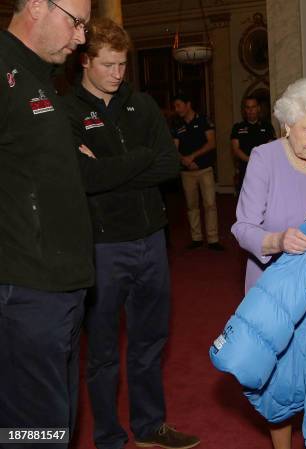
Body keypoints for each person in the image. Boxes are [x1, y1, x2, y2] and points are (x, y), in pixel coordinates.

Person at [63, 18, 199, 449]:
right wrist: (142, 161)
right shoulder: (67, 111)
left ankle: (149, 427)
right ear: (86, 62)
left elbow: (169, 166)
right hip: (103, 247)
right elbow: (84, 177)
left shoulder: (140, 104)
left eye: (123, 65)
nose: (117, 74)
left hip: (152, 240)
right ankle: (108, 438)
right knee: (101, 352)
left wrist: (114, 169)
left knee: (149, 343)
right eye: (108, 65)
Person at [231, 78, 306, 449]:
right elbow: (242, 227)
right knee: (280, 382)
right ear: (287, 125)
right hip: (277, 289)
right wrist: (279, 239)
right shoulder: (265, 157)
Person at [0, 1, 91, 447]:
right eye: (76, 22)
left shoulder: (43, 77)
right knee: (34, 432)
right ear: (38, 4)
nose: (82, 38)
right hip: (27, 289)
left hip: (63, 287)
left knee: (57, 423)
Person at [172, 93, 223, 251]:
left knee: (210, 205)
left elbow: (212, 143)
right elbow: (174, 148)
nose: (176, 109)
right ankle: (197, 238)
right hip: (186, 172)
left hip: (205, 169)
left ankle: (213, 239)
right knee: (192, 206)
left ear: (188, 104)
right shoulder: (176, 124)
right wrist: (184, 160)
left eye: (179, 105)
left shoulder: (203, 120)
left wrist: (193, 157)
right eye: (175, 106)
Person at [230, 95, 276, 193]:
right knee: (245, 200)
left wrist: (258, 161)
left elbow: (271, 147)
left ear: (258, 108)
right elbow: (236, 149)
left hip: (263, 169)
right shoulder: (238, 127)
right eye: (248, 107)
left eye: (253, 107)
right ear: (244, 110)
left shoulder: (267, 126)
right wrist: (250, 160)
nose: (250, 110)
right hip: (245, 169)